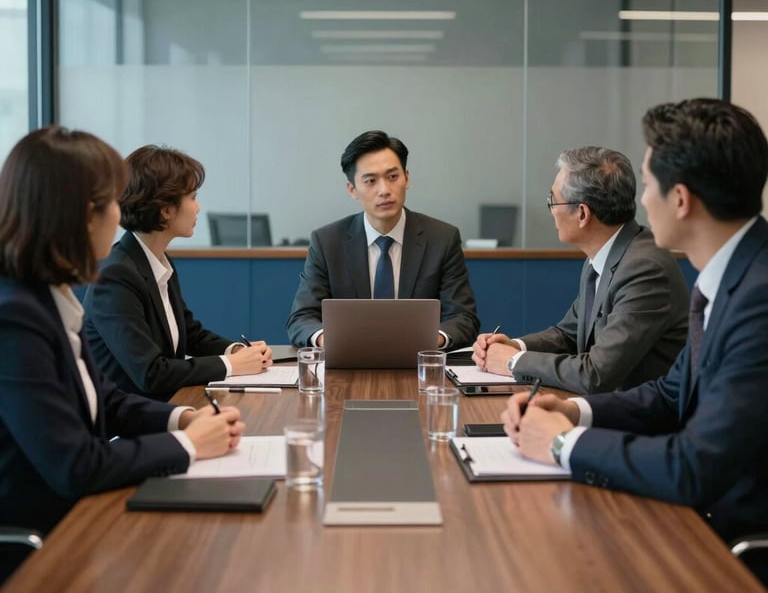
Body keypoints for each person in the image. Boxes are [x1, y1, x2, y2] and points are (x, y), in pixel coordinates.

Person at [503, 99, 768, 574]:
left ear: (681, 200)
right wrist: (571, 410)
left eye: (648, 185)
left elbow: (694, 465)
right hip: (699, 513)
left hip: (729, 545)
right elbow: (671, 397)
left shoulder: (758, 298)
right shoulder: (731, 279)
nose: (641, 200)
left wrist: (563, 444)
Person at [0, 127, 245, 581]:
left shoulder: (46, 297)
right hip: (46, 547)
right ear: (77, 215)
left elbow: (105, 397)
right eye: (112, 203)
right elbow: (76, 465)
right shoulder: (14, 319)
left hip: (82, 519)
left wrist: (182, 419)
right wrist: (189, 445)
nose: (120, 216)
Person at [472, 146, 689, 394]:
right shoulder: (603, 254)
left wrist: (513, 362)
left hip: (641, 421)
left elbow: (596, 374)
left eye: (553, 200)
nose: (552, 210)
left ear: (582, 213)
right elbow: (568, 334)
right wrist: (516, 346)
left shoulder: (645, 269)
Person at [84, 145, 272, 400]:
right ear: (166, 209)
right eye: (193, 197)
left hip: (164, 407)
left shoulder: (156, 260)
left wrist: (235, 350)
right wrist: (232, 365)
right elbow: (151, 373)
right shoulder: (116, 276)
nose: (198, 208)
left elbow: (190, 333)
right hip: (129, 424)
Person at [286, 130, 479, 348]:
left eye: (393, 177)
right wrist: (329, 340)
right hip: (348, 365)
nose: (384, 190)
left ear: (407, 178)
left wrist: (430, 340)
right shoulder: (327, 242)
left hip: (418, 365)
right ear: (352, 189)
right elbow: (301, 318)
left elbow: (463, 318)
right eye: (370, 181)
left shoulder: (442, 239)